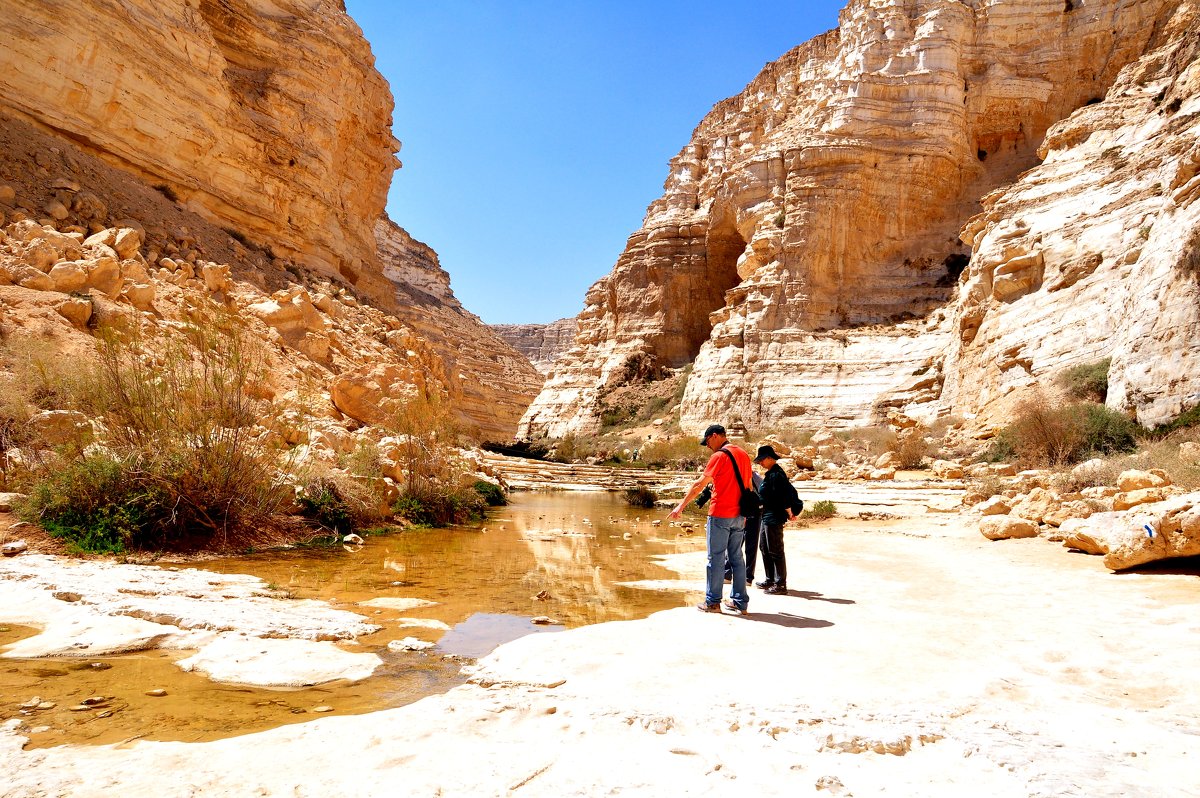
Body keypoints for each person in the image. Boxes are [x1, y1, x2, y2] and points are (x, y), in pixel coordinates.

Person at [668, 424, 754, 615]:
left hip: (720, 514)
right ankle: (740, 602)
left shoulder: (719, 456)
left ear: (715, 436)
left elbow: (699, 484)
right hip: (739, 515)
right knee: (737, 559)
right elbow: (748, 485)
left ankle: (713, 602)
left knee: (715, 559)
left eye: (707, 441)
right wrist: (745, 515)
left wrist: (681, 506)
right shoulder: (743, 455)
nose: (707, 446)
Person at [753, 444, 803, 594]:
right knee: (765, 547)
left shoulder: (776, 474)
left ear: (769, 458)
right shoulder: (771, 473)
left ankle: (780, 584)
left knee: (776, 549)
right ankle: (770, 579)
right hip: (767, 515)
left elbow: (783, 496)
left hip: (774, 516)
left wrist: (789, 512)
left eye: (762, 460)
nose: (760, 463)